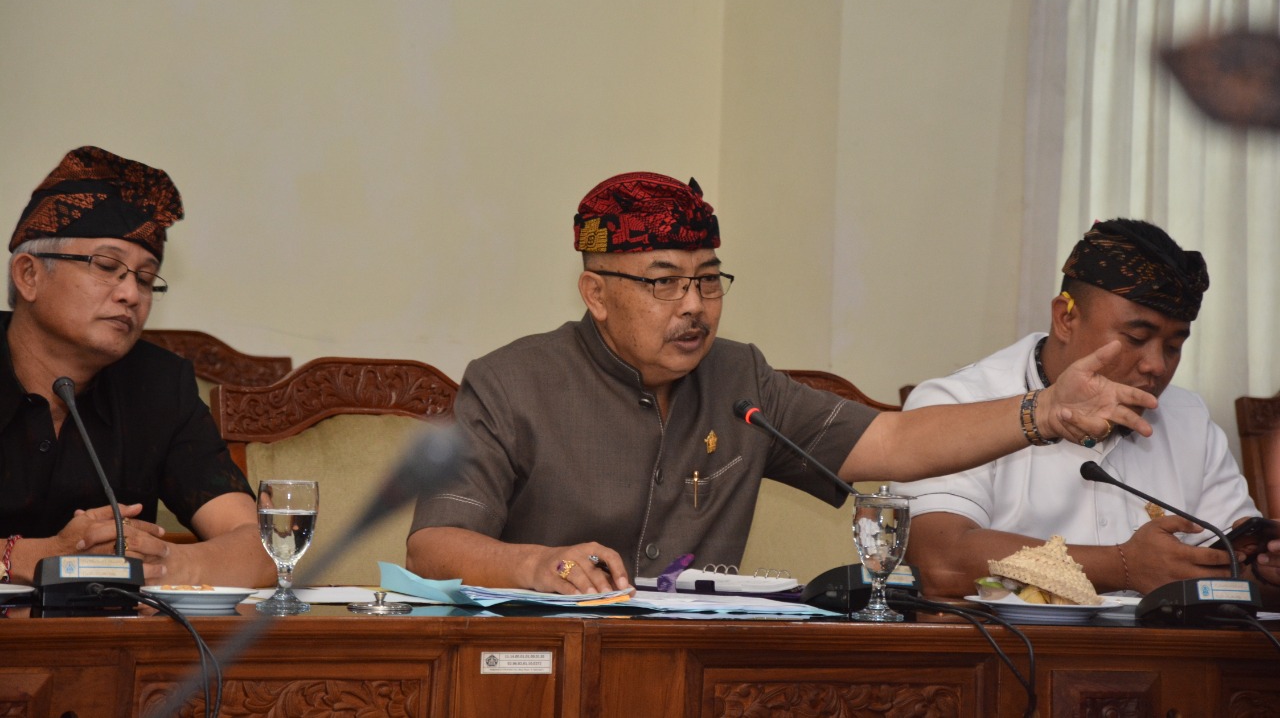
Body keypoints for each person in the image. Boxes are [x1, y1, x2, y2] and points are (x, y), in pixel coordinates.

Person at [406, 172, 1156, 595]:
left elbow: (890, 440)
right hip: (545, 670)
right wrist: (539, 565)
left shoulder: (740, 375)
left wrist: (1044, 411)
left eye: (708, 280)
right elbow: (434, 544)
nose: (695, 306)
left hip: (700, 673)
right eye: (664, 284)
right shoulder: (510, 382)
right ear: (596, 293)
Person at [893, 219, 1280, 605]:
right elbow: (939, 562)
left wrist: (1262, 571)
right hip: (1011, 658)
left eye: (1174, 346)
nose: (1156, 366)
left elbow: (1230, 564)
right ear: (1066, 318)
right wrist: (1122, 567)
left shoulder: (1187, 416)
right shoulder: (959, 403)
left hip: (1165, 658)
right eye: (1137, 338)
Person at [0, 147, 275, 588]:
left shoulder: (160, 386)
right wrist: (37, 557)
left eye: (146, 279)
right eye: (107, 267)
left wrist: (163, 563)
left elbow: (262, 548)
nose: (131, 294)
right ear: (29, 275)